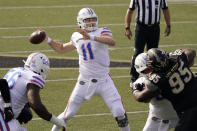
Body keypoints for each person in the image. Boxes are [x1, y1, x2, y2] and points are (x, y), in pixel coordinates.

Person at [43, 8, 130, 131]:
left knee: (120, 112)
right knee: (67, 114)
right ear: (80, 22)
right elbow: (62, 48)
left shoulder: (102, 31)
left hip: (104, 80)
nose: (91, 22)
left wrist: (91, 37)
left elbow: (111, 41)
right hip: (84, 81)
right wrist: (48, 40)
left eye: (93, 19)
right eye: (87, 20)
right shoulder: (76, 36)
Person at [132, 48, 197, 131]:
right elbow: (191, 52)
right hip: (161, 115)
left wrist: (135, 90)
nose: (150, 71)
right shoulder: (176, 58)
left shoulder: (156, 80)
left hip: (186, 111)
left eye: (150, 68)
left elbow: (141, 97)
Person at [0, 52, 66, 131]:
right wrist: (57, 121)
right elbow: (35, 104)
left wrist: (23, 107)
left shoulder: (15, 70)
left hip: (7, 114)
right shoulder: (33, 77)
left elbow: (13, 92)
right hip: (3, 115)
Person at [124, 0, 171, 84]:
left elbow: (165, 10)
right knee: (138, 52)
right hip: (141, 28)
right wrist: (127, 28)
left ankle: (152, 77)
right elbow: (130, 11)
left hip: (155, 28)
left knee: (153, 54)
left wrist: (168, 25)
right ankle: (134, 78)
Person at [132, 53, 179, 131]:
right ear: (141, 72)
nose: (150, 72)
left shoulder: (169, 73)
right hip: (158, 116)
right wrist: (136, 90)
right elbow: (142, 99)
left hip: (180, 113)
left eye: (150, 68)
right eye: (146, 70)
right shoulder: (141, 82)